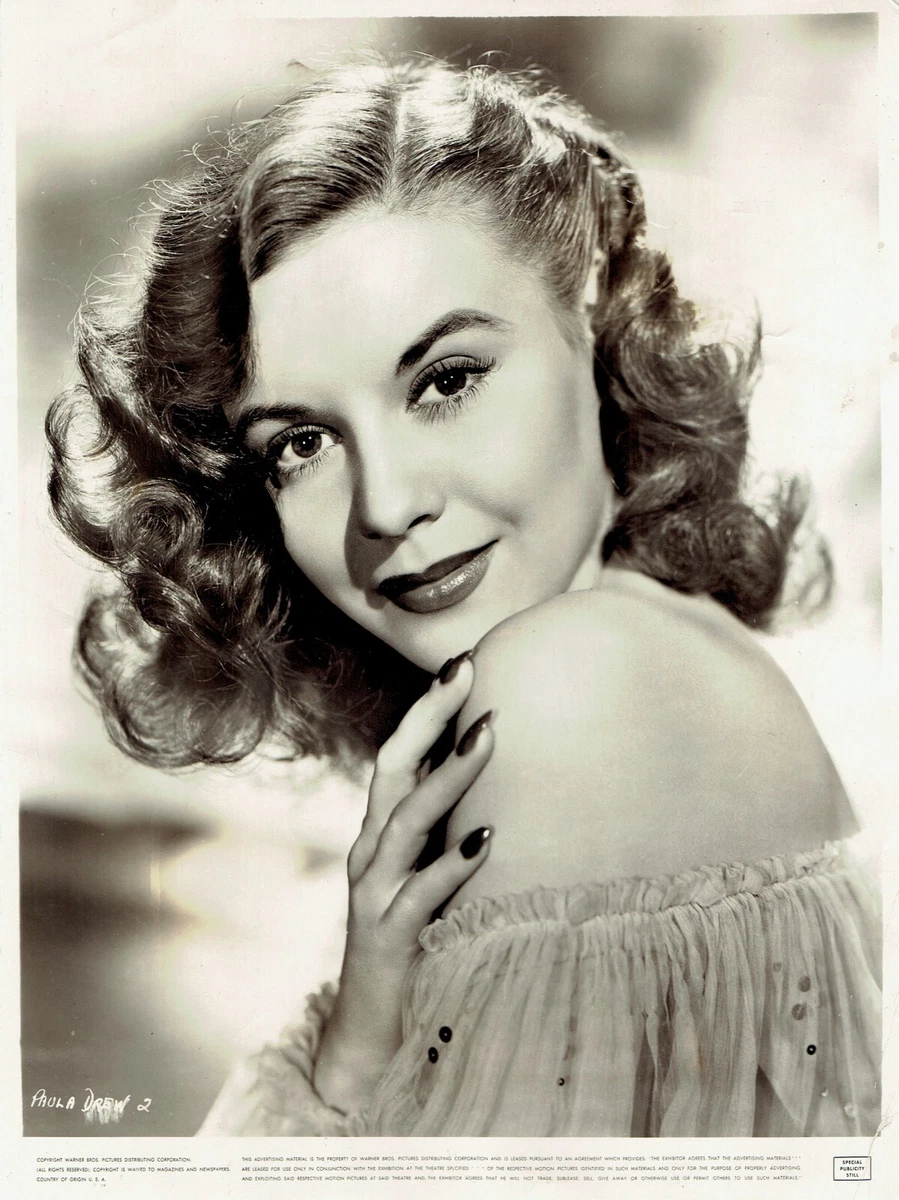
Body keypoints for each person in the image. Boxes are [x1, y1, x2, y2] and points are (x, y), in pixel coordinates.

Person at [46, 59, 880, 1137]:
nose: (387, 505)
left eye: (445, 381)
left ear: (590, 312)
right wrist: (361, 1034)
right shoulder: (663, 641)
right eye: (302, 443)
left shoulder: (571, 679)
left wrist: (347, 1069)